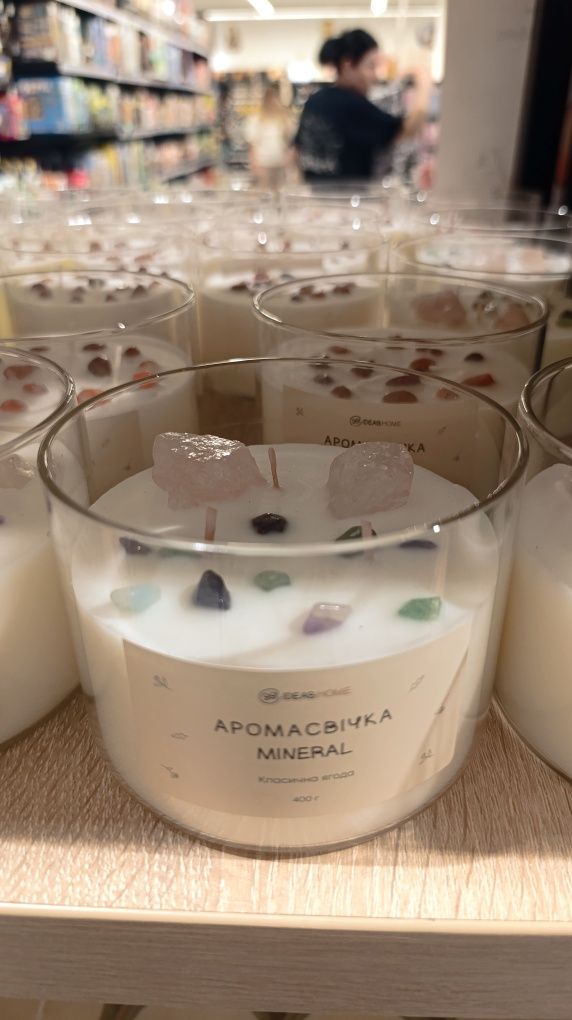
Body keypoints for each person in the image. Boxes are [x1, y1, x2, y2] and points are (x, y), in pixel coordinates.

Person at [294, 29, 429, 181]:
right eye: (370, 66)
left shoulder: (315, 100)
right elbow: (407, 129)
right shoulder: (352, 105)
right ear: (348, 64)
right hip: (350, 194)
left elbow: (295, 151)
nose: (375, 76)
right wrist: (423, 80)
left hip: (314, 193)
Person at [244, 83, 294, 189]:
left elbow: (289, 142)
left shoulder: (284, 118)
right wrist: (254, 163)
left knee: (278, 191)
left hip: (279, 162)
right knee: (265, 191)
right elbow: (252, 144)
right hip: (263, 162)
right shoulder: (256, 119)